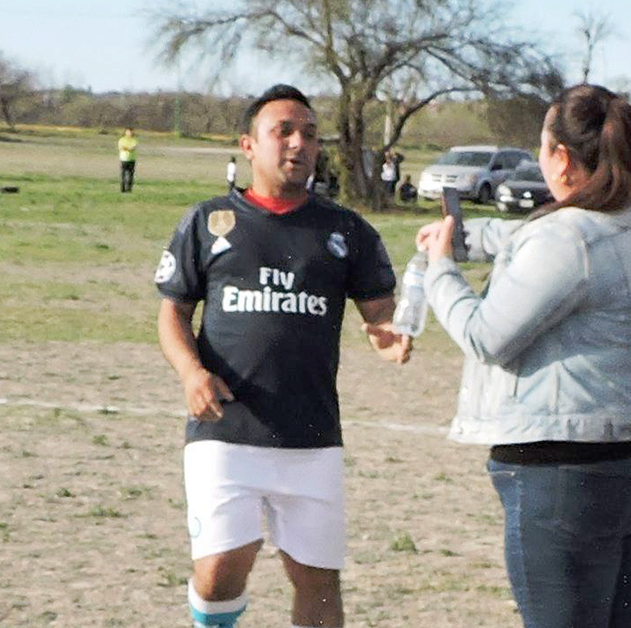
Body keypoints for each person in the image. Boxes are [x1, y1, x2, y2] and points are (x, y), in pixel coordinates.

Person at [417, 84, 631, 628]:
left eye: (543, 147)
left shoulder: (567, 239)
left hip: (572, 474)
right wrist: (476, 237)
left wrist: (440, 269)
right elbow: (551, 237)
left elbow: (486, 336)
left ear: (562, 159)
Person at [154, 84, 412, 628]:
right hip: (226, 426)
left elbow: (380, 317)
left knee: (316, 579)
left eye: (311, 134)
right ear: (249, 145)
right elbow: (173, 312)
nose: (299, 143)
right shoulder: (207, 223)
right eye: (284, 131)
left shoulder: (346, 230)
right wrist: (190, 372)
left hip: (311, 433)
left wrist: (392, 337)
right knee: (224, 566)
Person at [118, 127, 138, 193]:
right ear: (125, 132)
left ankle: (129, 189)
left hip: (132, 159)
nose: (130, 133)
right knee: (123, 175)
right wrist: (128, 148)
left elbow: (133, 147)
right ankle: (123, 189)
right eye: (128, 132)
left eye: (131, 132)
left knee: (130, 175)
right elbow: (121, 147)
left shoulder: (134, 140)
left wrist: (127, 148)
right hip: (124, 159)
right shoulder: (122, 140)